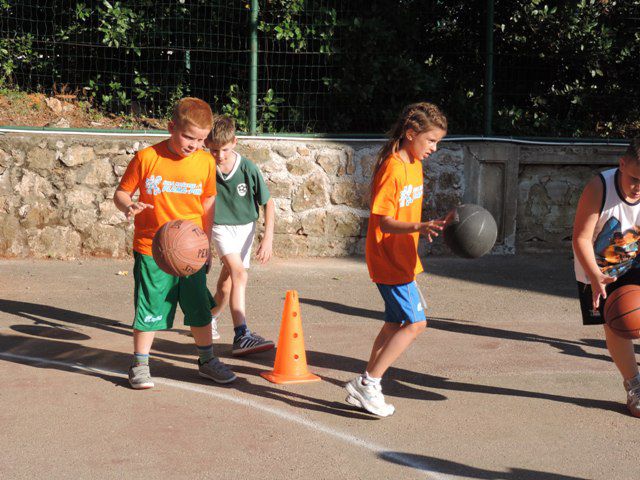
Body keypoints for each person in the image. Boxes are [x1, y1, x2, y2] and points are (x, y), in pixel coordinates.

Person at [113, 97, 236, 389]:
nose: (194, 144)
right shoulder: (147, 158)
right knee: (149, 306)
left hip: (191, 252)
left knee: (199, 309)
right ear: (171, 128)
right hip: (151, 249)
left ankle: (207, 360)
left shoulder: (206, 162)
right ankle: (140, 363)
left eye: (201, 140)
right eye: (189, 137)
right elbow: (121, 192)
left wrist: (205, 245)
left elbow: (208, 202)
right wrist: (127, 206)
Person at [344, 102, 448, 417]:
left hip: (404, 259)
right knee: (416, 324)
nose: (434, 148)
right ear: (409, 133)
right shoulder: (392, 167)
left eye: (437, 143)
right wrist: (419, 226)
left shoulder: (414, 164)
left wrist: (421, 228)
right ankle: (369, 382)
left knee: (394, 322)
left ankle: (366, 382)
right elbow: (384, 221)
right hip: (388, 258)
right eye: (430, 140)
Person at [572, 138, 640, 417]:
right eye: (635, 179)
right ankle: (634, 385)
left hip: (635, 258)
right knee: (618, 321)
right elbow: (581, 238)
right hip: (600, 268)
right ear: (622, 164)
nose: (638, 188)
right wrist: (595, 276)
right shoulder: (599, 187)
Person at [204, 114, 276, 356]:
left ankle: (209, 316)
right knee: (239, 274)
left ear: (234, 142)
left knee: (226, 284)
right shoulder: (205, 167)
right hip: (220, 226)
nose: (219, 155)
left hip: (246, 229)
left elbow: (268, 203)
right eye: (214, 150)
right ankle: (241, 334)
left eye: (223, 149)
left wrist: (268, 238)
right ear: (207, 145)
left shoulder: (247, 168)